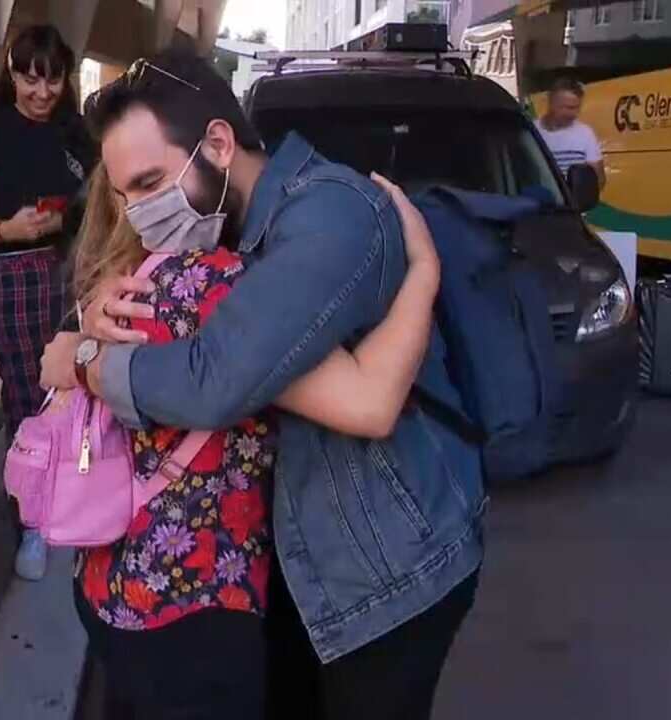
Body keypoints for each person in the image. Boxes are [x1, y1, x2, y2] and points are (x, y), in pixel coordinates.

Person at [40, 50, 485, 720]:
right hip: (290, 560)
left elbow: (222, 378)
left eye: (152, 181)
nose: (137, 213)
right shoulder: (221, 236)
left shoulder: (327, 216)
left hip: (382, 569)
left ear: (219, 143)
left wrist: (85, 360)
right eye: (125, 193)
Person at [0, 25, 96, 581]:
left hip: (73, 274)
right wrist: (9, 230)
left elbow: (99, 202)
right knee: (24, 395)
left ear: (65, 78)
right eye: (29, 79)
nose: (41, 92)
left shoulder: (75, 131)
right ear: (12, 74)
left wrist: (66, 220)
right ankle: (34, 524)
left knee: (78, 389)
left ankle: (79, 504)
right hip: (14, 274)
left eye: (52, 79)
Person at [535, 77, 606, 188]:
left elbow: (598, 180)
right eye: (569, 108)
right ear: (551, 103)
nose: (574, 113)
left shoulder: (585, 133)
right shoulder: (532, 132)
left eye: (577, 108)